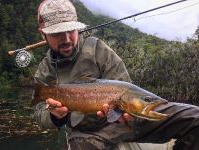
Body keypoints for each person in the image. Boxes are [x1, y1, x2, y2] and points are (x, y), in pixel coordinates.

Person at [33, 0, 199, 149]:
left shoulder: (98, 49)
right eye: (57, 33)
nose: (67, 38)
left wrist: (125, 114)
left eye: (71, 30)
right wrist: (56, 117)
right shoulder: (45, 71)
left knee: (196, 119)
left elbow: (125, 88)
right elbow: (40, 117)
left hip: (132, 119)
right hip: (89, 133)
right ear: (43, 33)